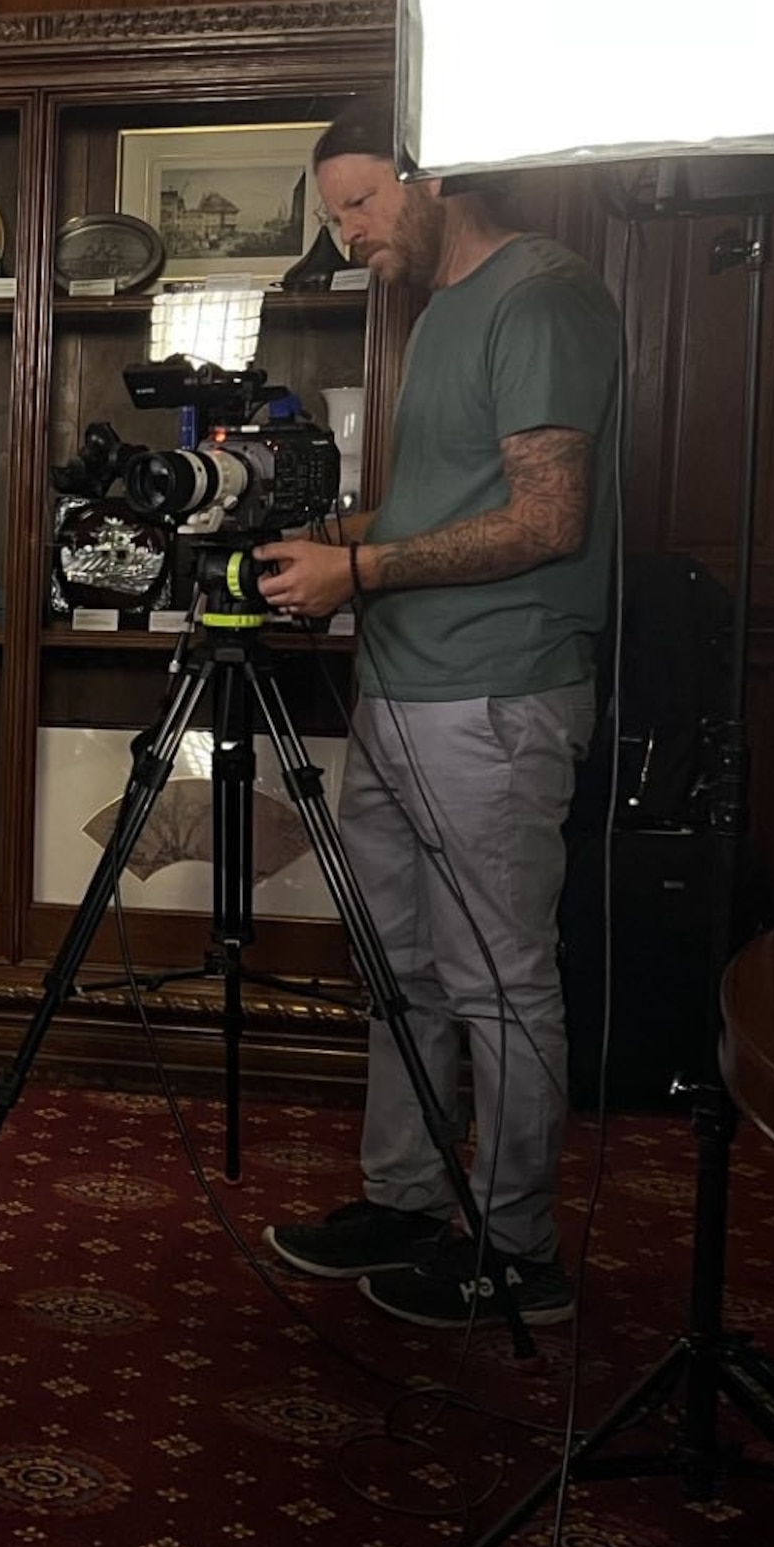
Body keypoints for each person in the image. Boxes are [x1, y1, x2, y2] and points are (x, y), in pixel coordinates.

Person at [248, 95, 620, 1329]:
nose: (349, 232)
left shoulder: (540, 295)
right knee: (397, 965)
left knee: (499, 977)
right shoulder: (440, 311)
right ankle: (406, 1201)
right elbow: (438, 505)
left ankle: (518, 1250)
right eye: (335, 210)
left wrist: (355, 574)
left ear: (431, 174)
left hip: (498, 692)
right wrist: (335, 540)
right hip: (402, 686)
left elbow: (543, 521)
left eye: (360, 202)